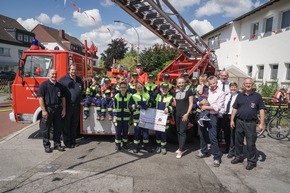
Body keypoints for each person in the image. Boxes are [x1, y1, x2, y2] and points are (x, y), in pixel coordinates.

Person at [230, 77, 265, 170]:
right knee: (238, 142)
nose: (248, 85)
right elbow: (234, 108)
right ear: (244, 85)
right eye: (246, 84)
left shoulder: (257, 96)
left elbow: (261, 110)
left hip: (251, 123)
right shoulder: (240, 95)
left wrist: (261, 123)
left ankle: (252, 161)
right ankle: (239, 157)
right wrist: (232, 120)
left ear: (252, 85)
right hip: (239, 122)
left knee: (250, 143)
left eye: (250, 83)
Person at [196, 76, 225, 167]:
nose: (212, 85)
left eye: (214, 83)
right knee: (202, 134)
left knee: (212, 137)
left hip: (212, 116)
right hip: (203, 114)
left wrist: (206, 107)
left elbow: (218, 107)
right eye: (211, 83)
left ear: (217, 83)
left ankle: (216, 157)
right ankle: (204, 151)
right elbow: (198, 100)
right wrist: (200, 103)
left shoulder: (221, 93)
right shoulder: (207, 90)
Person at [38, 69, 66, 153]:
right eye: (52, 74)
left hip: (58, 109)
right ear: (49, 75)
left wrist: (64, 109)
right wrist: (43, 110)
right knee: (46, 129)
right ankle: (47, 146)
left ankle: (57, 144)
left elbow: (63, 98)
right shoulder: (44, 85)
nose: (54, 75)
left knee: (57, 129)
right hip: (48, 109)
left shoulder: (59, 86)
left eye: (55, 74)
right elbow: (41, 98)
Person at [59, 64, 84, 148]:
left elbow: (82, 90)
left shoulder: (79, 80)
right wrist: (63, 108)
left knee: (74, 125)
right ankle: (67, 143)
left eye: (75, 70)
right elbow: (59, 92)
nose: (73, 71)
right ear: (69, 70)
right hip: (68, 106)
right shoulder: (63, 80)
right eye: (72, 69)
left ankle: (73, 140)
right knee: (66, 125)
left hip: (76, 107)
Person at [173, 77, 193, 159]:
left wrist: (187, 114)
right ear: (177, 84)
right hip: (177, 115)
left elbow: (191, 104)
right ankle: (180, 146)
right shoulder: (175, 92)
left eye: (182, 82)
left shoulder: (189, 91)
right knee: (178, 131)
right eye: (179, 83)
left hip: (185, 115)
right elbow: (175, 104)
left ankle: (181, 150)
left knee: (182, 132)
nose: (181, 84)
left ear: (185, 83)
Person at [129, 82, 152, 153]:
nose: (140, 89)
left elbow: (151, 103)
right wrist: (135, 106)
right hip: (137, 116)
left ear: (143, 87)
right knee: (137, 132)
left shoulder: (147, 95)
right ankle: (136, 146)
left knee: (145, 132)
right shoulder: (133, 96)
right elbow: (130, 106)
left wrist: (148, 105)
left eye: (141, 87)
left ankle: (146, 146)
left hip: (145, 116)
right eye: (138, 88)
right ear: (136, 88)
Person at [220, 81, 239, 158]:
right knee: (226, 134)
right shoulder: (226, 95)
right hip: (225, 116)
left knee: (232, 134)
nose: (233, 88)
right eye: (231, 87)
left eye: (234, 87)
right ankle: (227, 148)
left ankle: (232, 151)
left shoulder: (238, 96)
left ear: (236, 88)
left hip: (233, 116)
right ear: (229, 88)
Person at [154, 83, 174, 155]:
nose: (164, 90)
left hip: (165, 119)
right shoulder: (157, 96)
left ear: (168, 89)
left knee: (164, 133)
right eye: (163, 88)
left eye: (166, 89)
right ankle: (158, 146)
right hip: (157, 118)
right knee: (157, 133)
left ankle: (163, 147)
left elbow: (173, 107)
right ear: (160, 89)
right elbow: (153, 104)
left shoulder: (170, 97)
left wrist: (168, 108)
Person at [113, 81, 132, 150]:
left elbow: (131, 106)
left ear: (126, 88)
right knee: (118, 132)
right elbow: (114, 107)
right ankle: (117, 144)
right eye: (122, 87)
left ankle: (125, 144)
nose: (123, 89)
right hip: (118, 117)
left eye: (124, 87)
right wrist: (114, 116)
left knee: (125, 132)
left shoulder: (129, 96)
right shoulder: (116, 96)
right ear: (119, 88)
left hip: (126, 117)